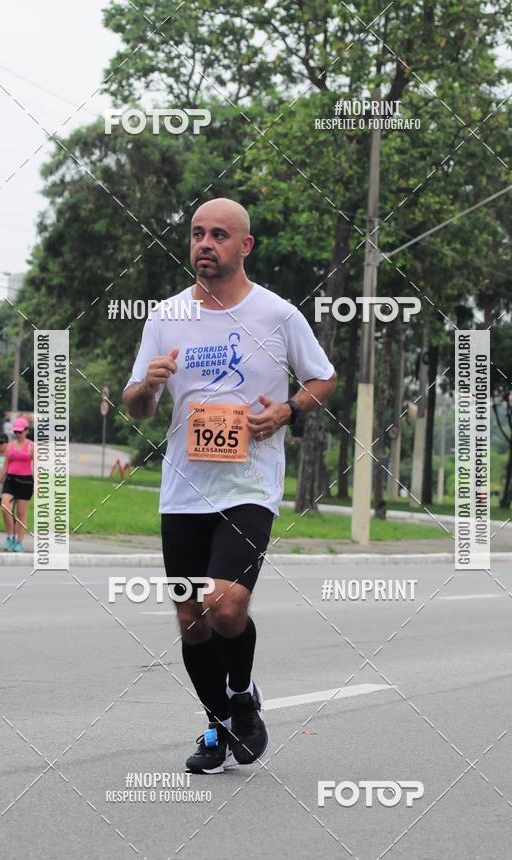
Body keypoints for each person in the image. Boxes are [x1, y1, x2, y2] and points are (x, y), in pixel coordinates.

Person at [123, 198, 337, 774]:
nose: (204, 244)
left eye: (219, 235)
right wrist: (148, 383)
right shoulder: (166, 316)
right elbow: (136, 404)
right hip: (183, 489)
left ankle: (241, 693)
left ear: (245, 246)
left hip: (250, 482)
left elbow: (323, 377)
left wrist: (288, 410)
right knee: (192, 622)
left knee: (226, 604)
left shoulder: (277, 315)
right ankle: (219, 727)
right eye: (197, 233)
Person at [0, 417, 34, 552]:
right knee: (5, 509)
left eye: (20, 432)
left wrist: (39, 483)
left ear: (27, 431)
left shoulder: (32, 446)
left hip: (25, 482)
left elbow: (37, 467)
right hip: (10, 481)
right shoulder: (10, 445)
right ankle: (10, 536)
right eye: (16, 432)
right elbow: (5, 465)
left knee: (21, 513)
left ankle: (19, 542)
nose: (17, 434)